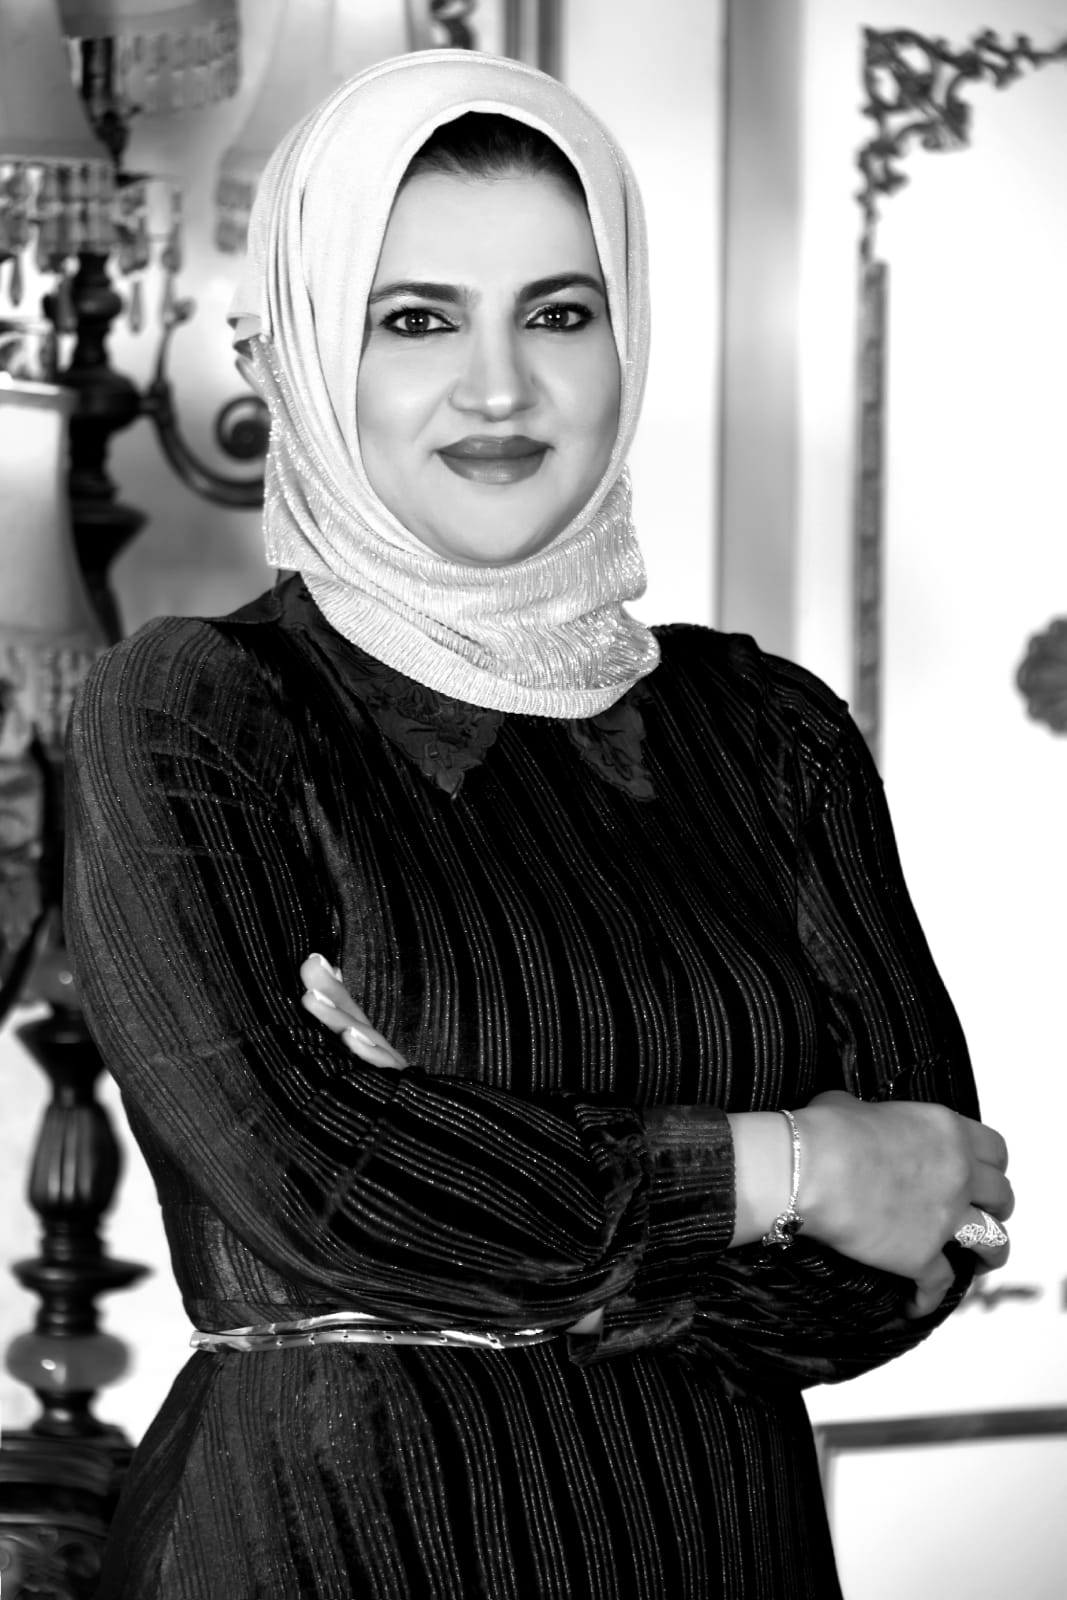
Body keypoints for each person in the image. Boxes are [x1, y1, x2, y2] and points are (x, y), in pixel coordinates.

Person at [65, 49, 1012, 1600]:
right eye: (415, 320)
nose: (500, 388)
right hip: (336, 1547)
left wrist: (470, 1157)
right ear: (301, 350)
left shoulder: (769, 731)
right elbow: (322, 1196)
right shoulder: (196, 709)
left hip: (725, 1548)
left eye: (560, 315)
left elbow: (922, 1234)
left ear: (627, 338)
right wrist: (792, 1167)